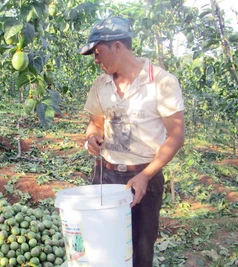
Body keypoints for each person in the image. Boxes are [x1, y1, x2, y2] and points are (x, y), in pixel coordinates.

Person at [79, 17, 185, 267]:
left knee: (139, 249)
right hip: (106, 175)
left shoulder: (161, 82)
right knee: (102, 244)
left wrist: (146, 176)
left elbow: (176, 135)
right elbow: (96, 122)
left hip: (143, 178)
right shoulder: (100, 84)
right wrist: (92, 137)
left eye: (97, 52)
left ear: (117, 47)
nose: (96, 60)